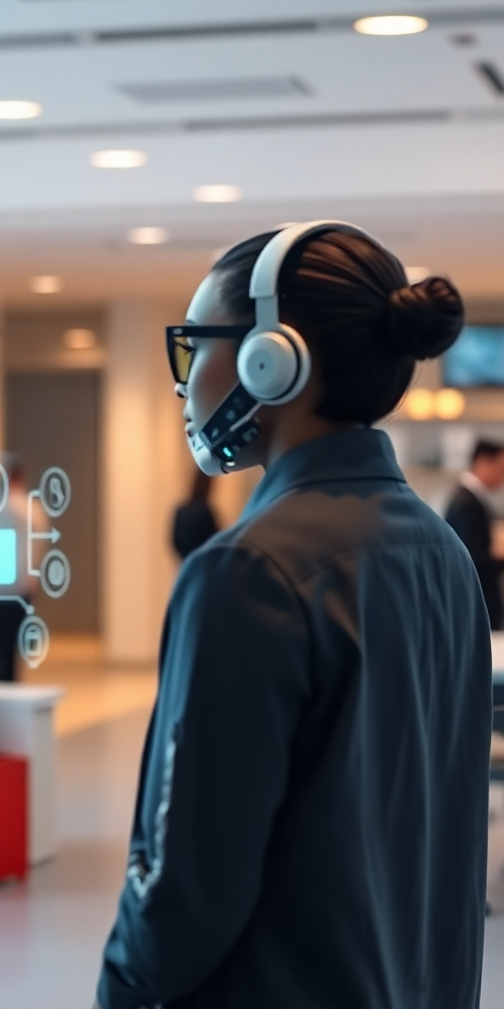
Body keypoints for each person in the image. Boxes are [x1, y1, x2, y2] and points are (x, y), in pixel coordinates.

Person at [95, 222, 490, 1009]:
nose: (183, 383)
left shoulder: (249, 571)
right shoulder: (442, 552)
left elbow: (184, 883)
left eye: (194, 346)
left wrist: (122, 992)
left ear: (270, 361)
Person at [0, 459, 43, 681]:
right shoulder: (33, 509)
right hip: (25, 583)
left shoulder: (6, 507)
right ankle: (9, 679)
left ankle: (0, 681)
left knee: (1, 641)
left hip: (5, 584)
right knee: (13, 641)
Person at [445, 439, 504, 629]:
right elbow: (474, 557)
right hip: (475, 600)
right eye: (501, 467)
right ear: (482, 462)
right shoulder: (467, 503)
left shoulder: (471, 499)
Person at [170, 470, 218, 560]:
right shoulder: (203, 512)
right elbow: (215, 540)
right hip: (203, 565)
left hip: (186, 562)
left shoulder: (181, 510)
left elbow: (175, 541)